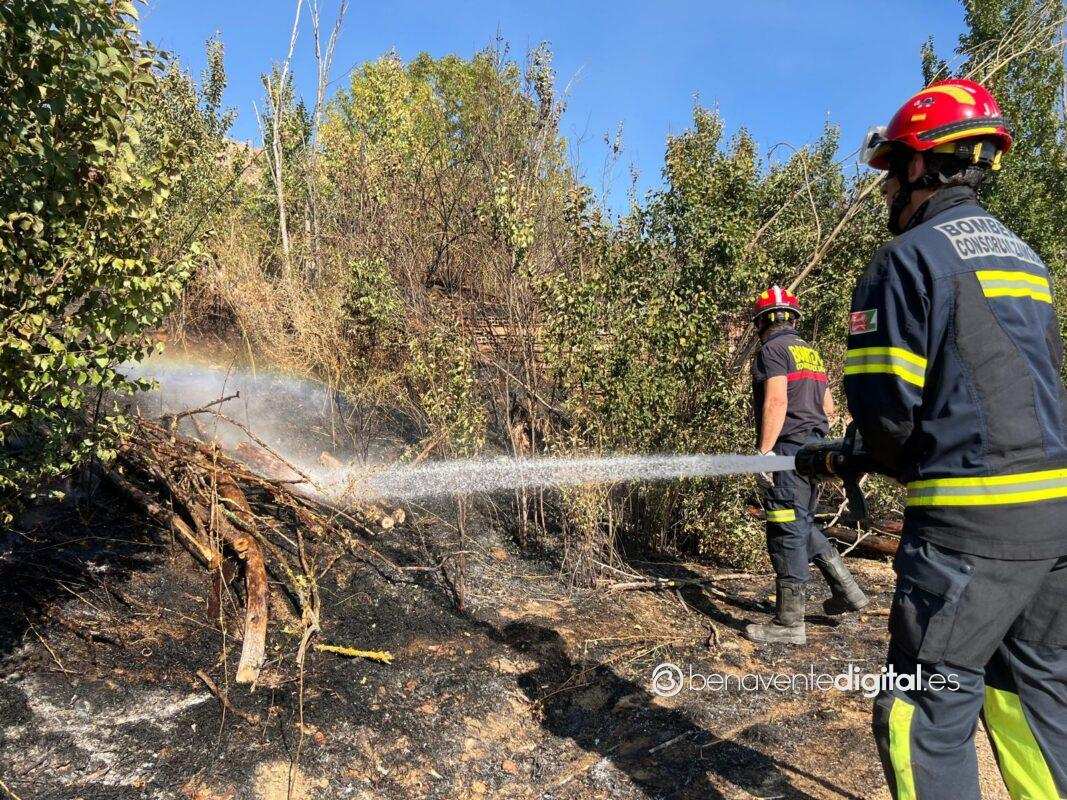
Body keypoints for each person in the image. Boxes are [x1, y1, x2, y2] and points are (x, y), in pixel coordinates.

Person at [846, 78, 1067, 798]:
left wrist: (866, 452)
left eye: (890, 171)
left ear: (920, 164)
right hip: (1054, 520)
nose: (886, 191)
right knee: (1029, 693)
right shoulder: (1025, 259)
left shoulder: (907, 258)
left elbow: (886, 414)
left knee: (922, 711)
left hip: (971, 530)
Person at [745, 286, 869, 645]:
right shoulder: (809, 353)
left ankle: (789, 624)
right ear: (792, 318)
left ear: (762, 322)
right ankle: (848, 592)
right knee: (801, 523)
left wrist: (765, 453)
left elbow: (776, 401)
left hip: (787, 452)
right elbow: (829, 408)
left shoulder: (772, 350)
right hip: (813, 452)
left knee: (785, 528)